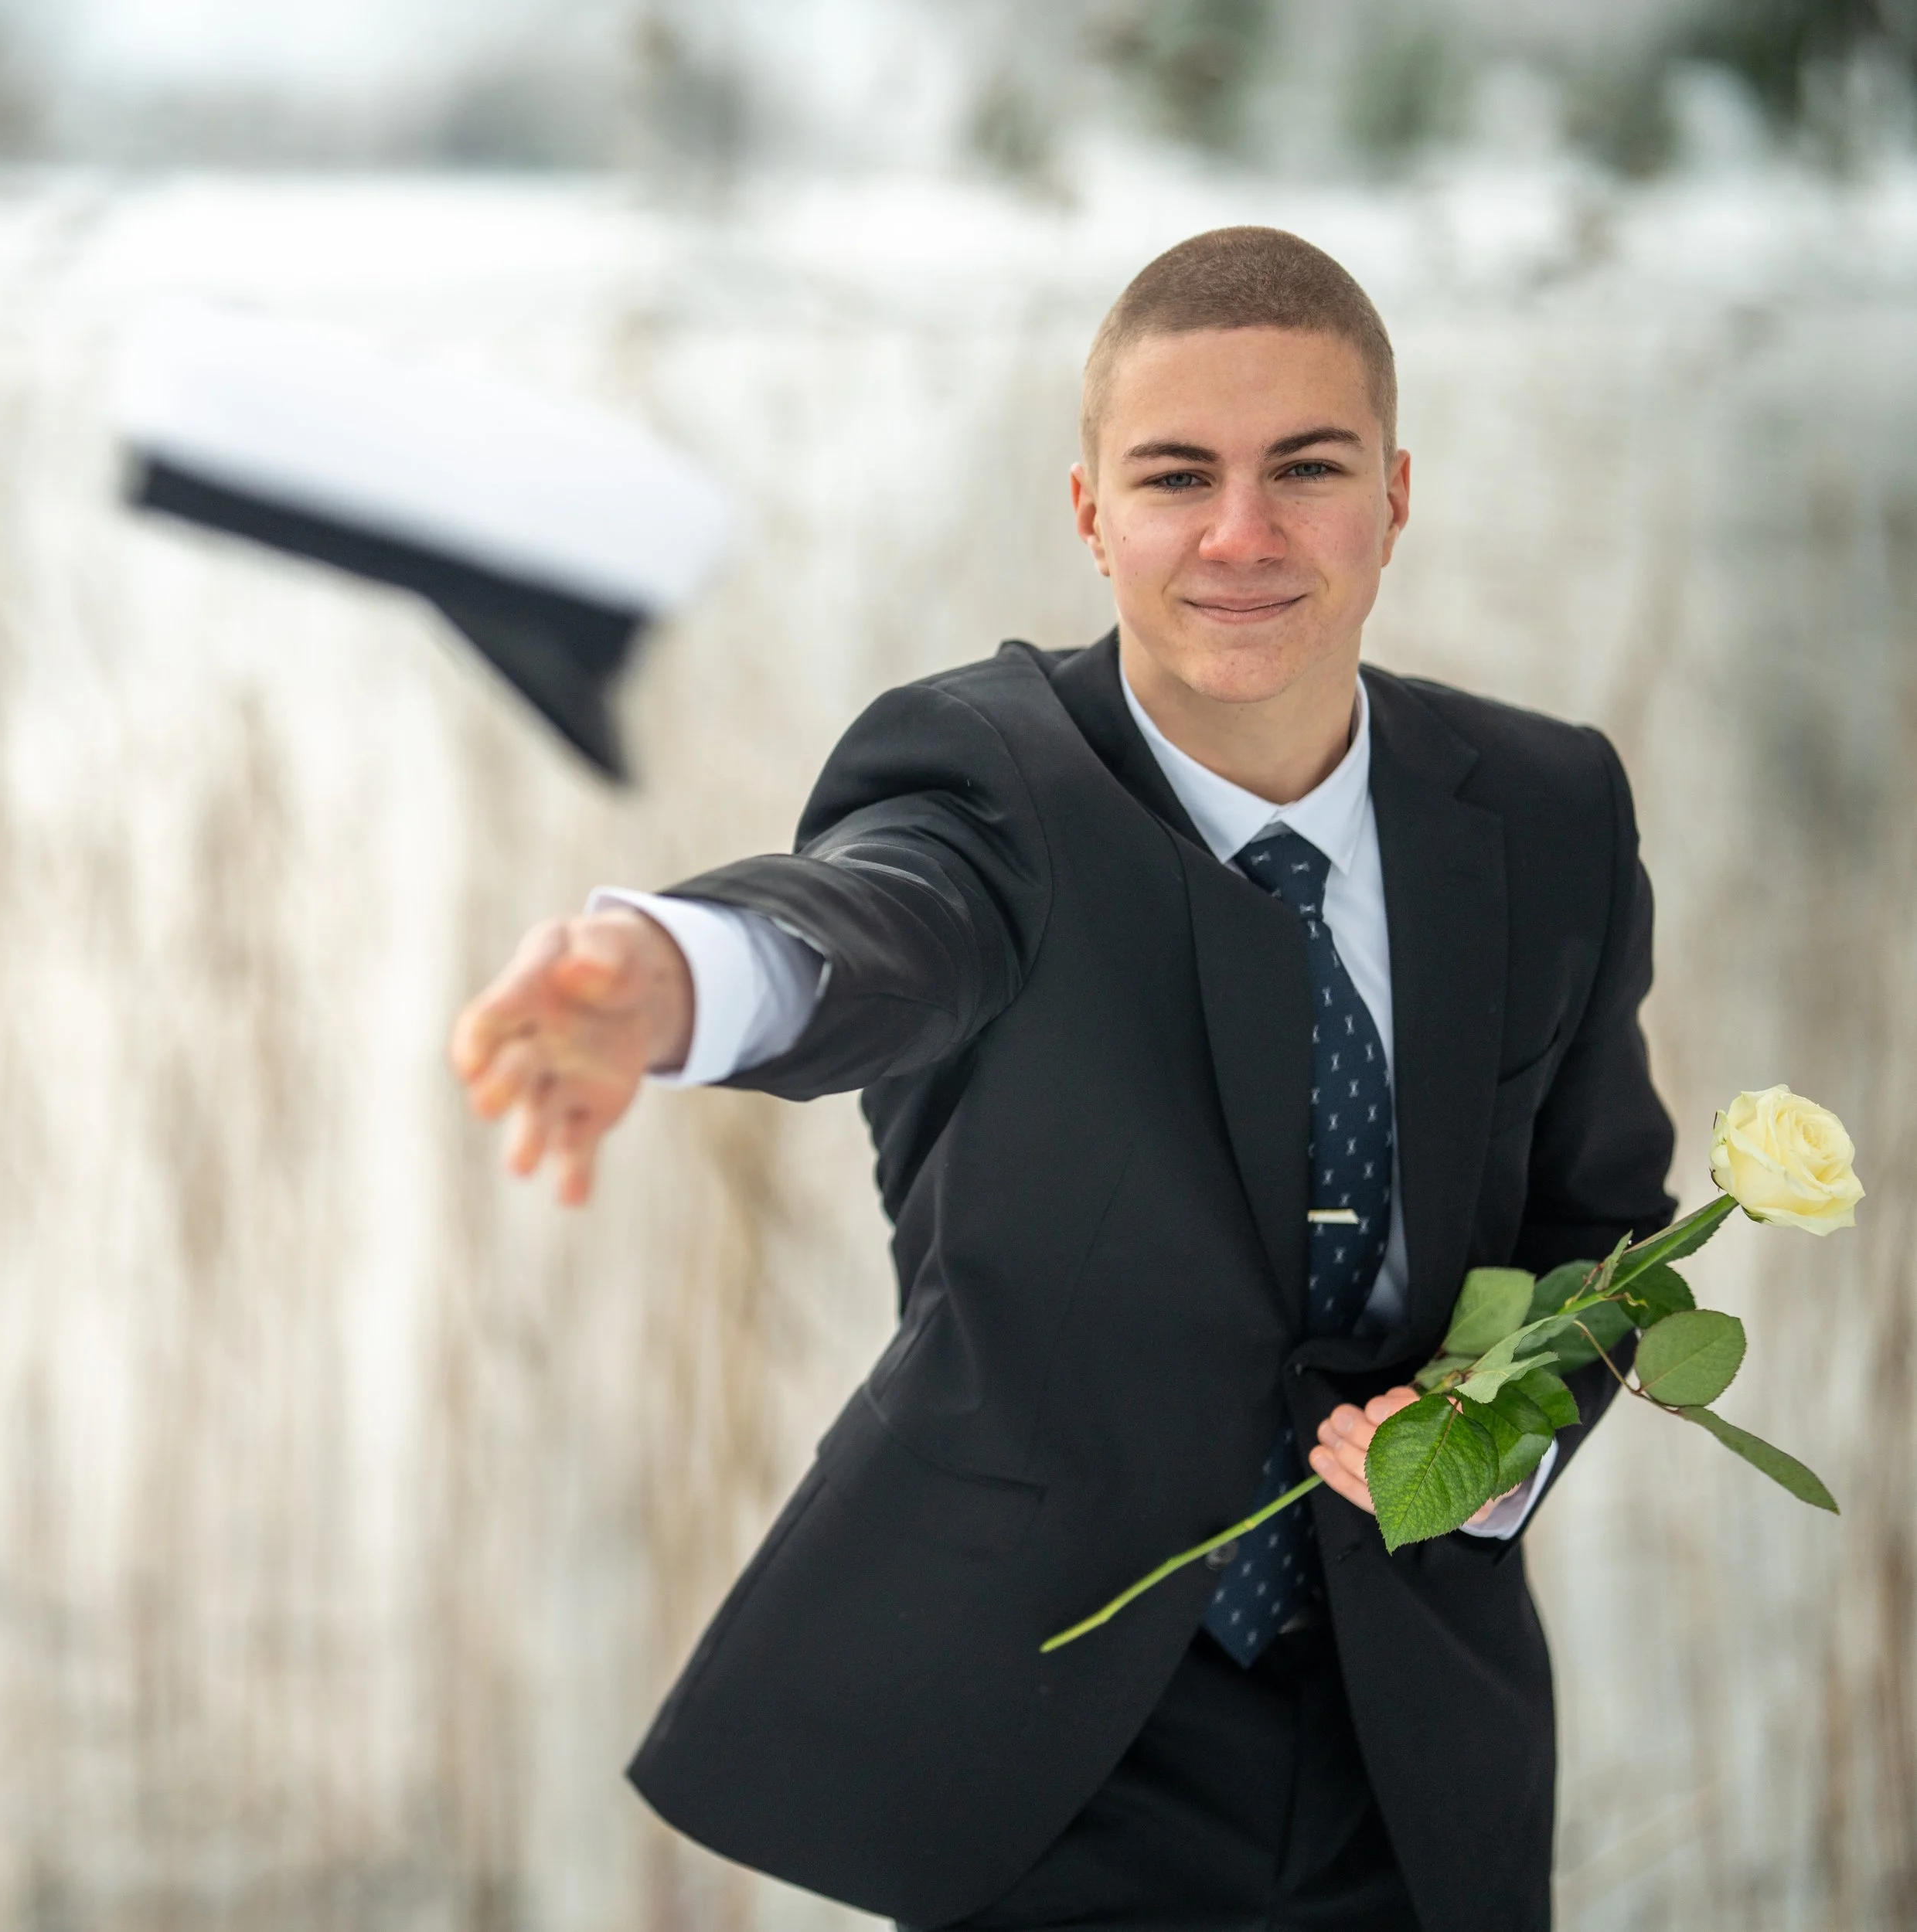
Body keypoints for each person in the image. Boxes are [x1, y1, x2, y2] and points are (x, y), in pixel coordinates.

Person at [450, 227, 1676, 1932]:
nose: (1238, 535)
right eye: (1176, 476)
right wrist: (669, 975)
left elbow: (1600, 1216)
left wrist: (1502, 1431)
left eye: (1302, 471)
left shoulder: (1545, 808)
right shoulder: (989, 780)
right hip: (1045, 1741)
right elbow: (877, 927)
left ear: (1393, 496)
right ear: (1090, 512)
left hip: (1418, 1748)